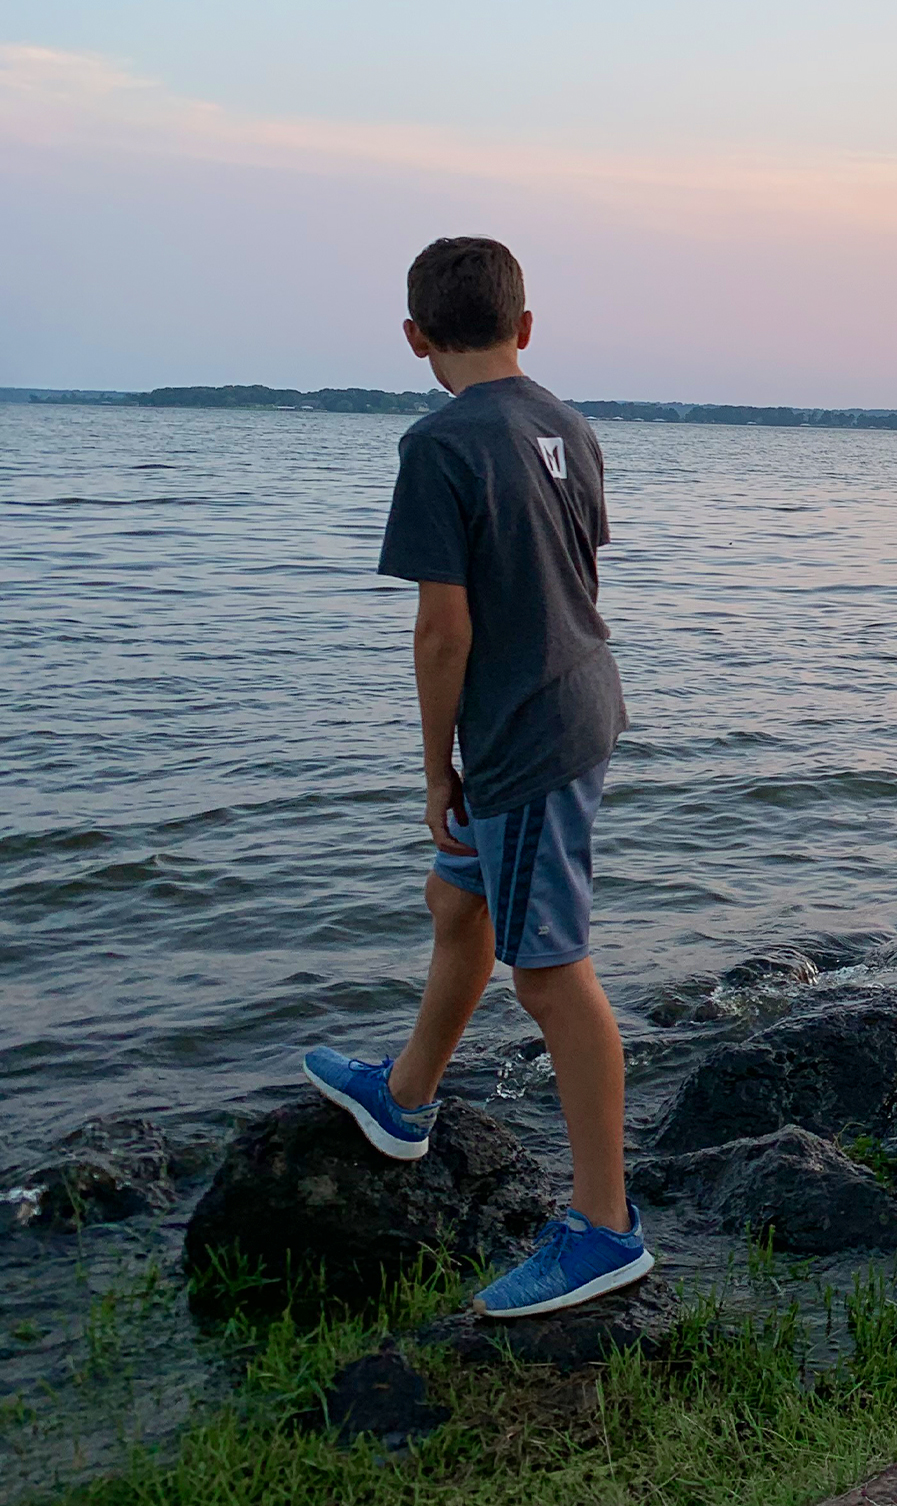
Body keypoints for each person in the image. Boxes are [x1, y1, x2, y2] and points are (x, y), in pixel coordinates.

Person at [302, 236, 652, 1317]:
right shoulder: (569, 422)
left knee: (550, 975)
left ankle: (606, 1230)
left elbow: (442, 632)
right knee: (458, 901)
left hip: (524, 735)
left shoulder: (439, 442)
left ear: (415, 338)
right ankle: (404, 1100)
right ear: (526, 326)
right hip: (581, 694)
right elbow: (580, 566)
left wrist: (435, 771)